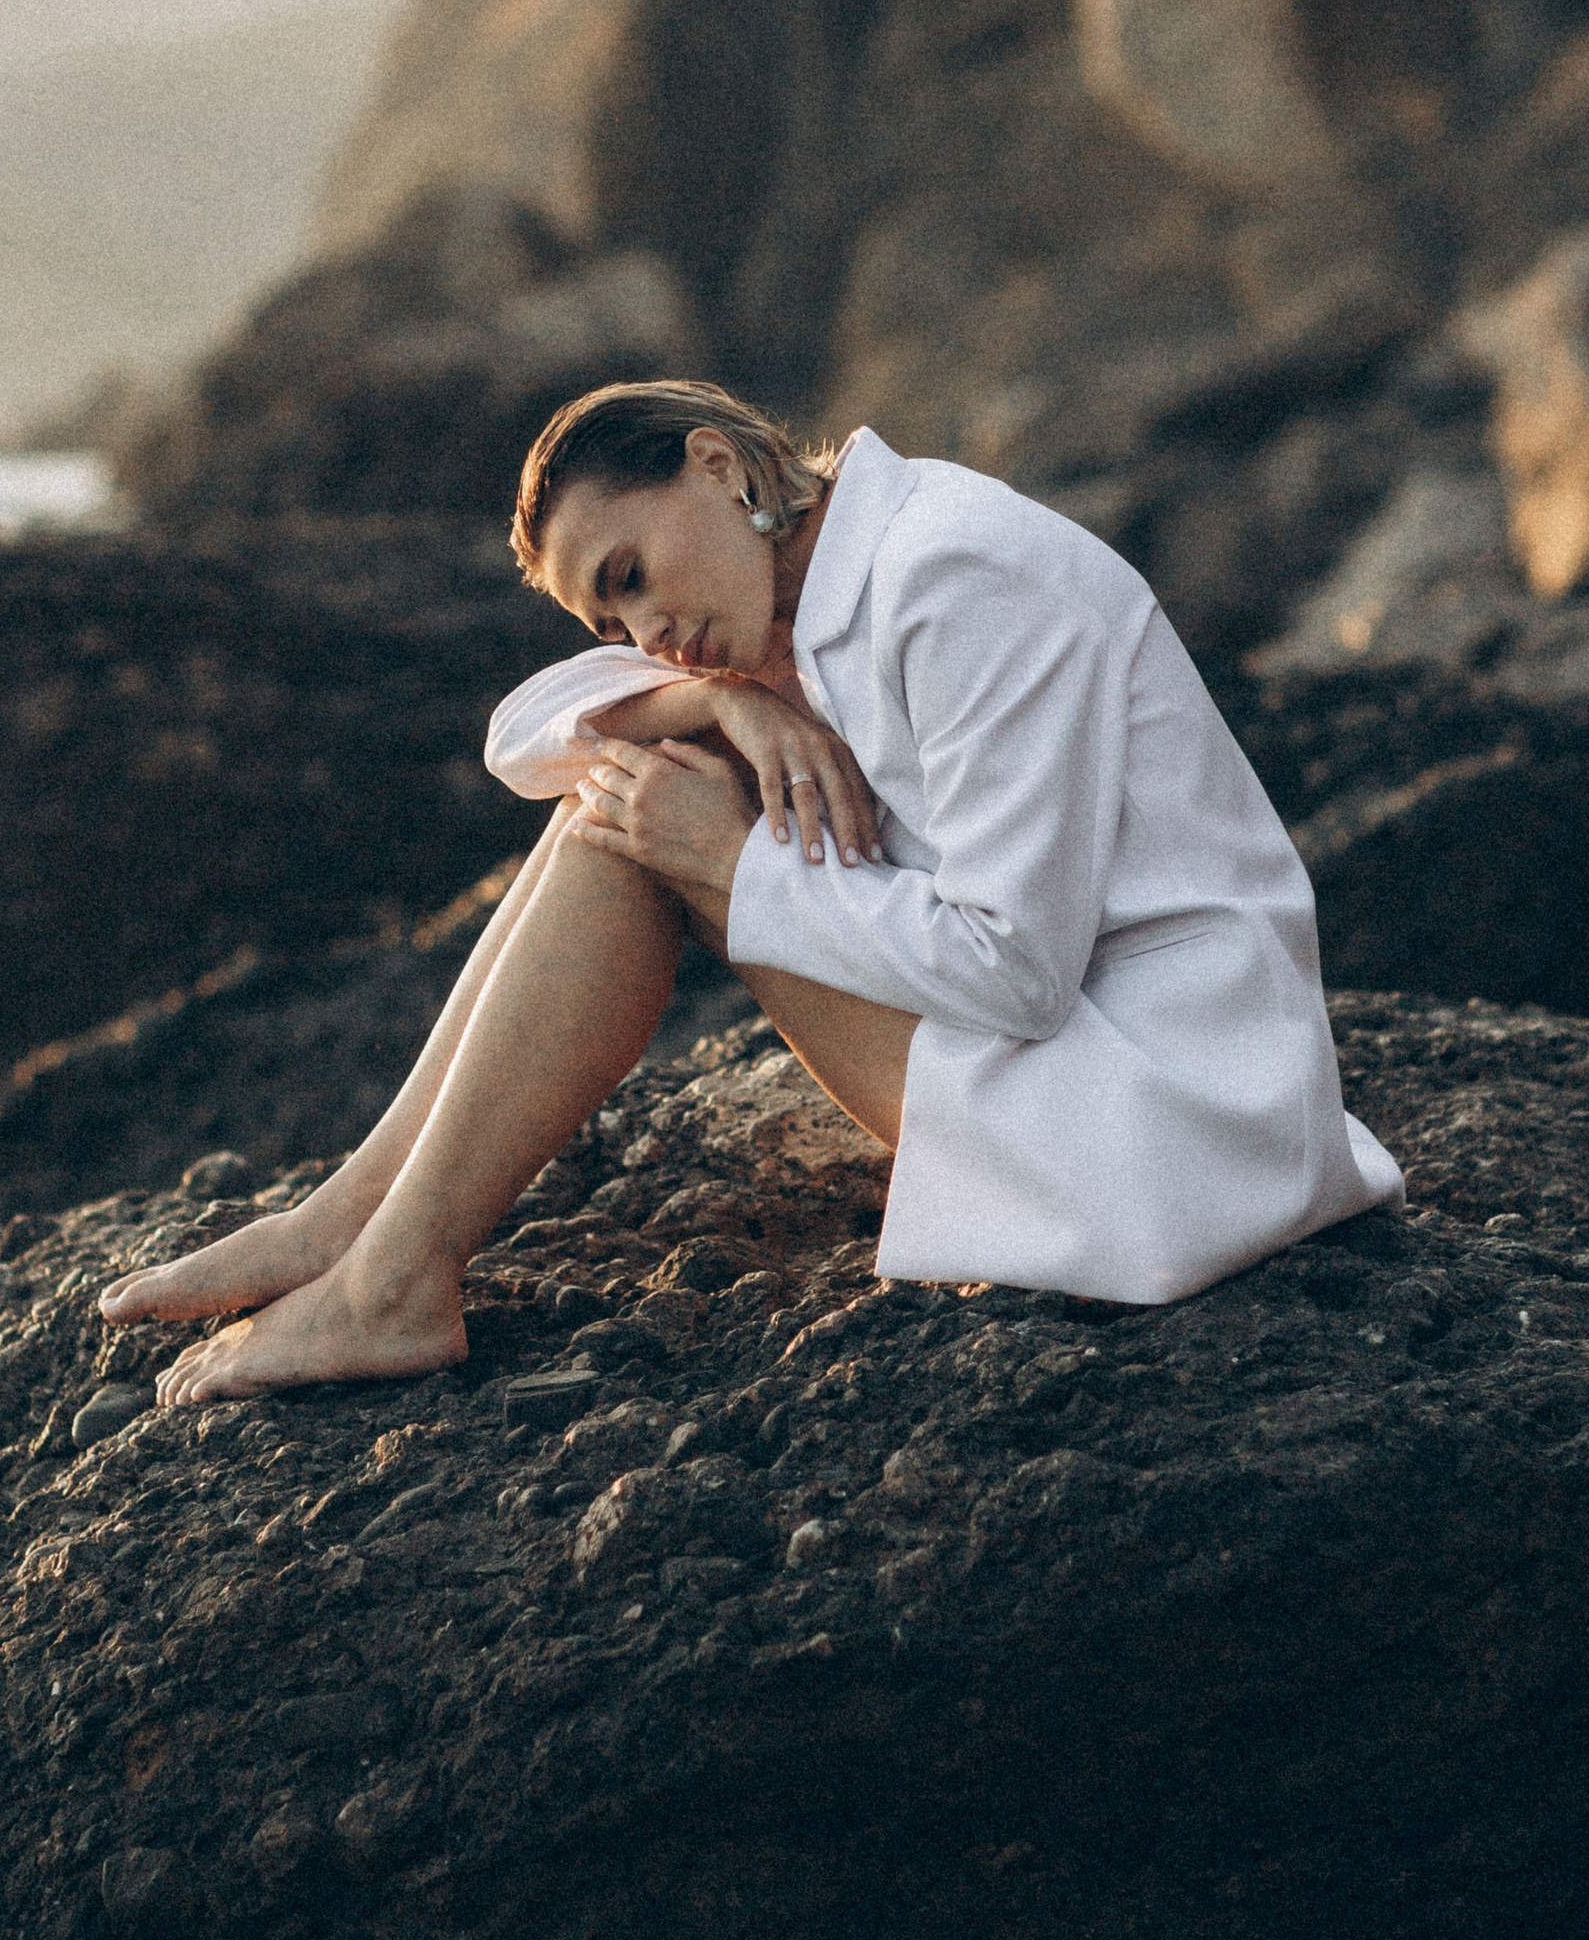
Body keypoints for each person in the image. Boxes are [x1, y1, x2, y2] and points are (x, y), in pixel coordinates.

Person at [100, 378, 1402, 1402]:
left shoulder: (951, 577)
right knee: (628, 790)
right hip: (1082, 1077)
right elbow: (528, 736)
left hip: (1166, 1130)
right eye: (606, 626)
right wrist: (719, 696)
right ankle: (358, 1221)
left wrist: (728, 860)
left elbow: (1017, 964)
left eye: (630, 580)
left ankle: (391, 1267)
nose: (637, 635)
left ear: (718, 467)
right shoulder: (822, 588)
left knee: (637, 818)